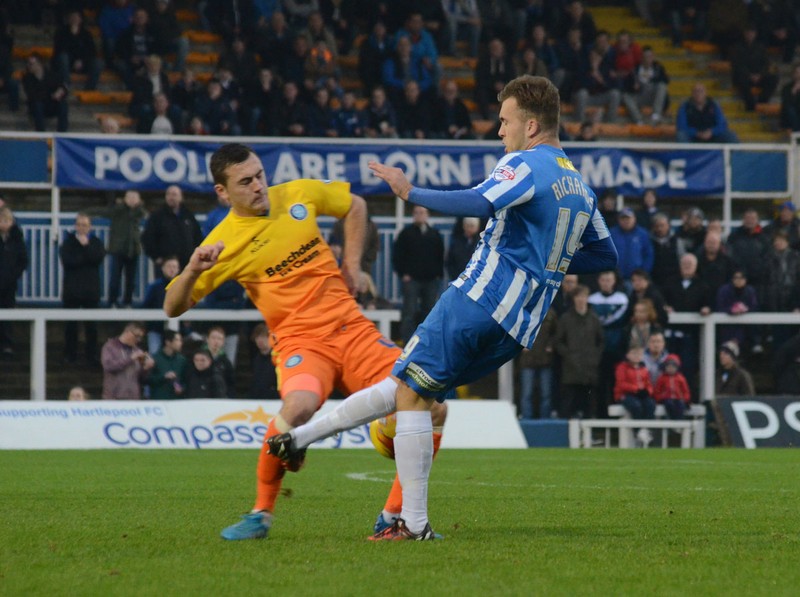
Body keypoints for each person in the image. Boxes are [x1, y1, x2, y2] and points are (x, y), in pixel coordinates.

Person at [267, 75, 618, 540]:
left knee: (411, 395)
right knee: (409, 387)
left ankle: (412, 523)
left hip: (477, 300)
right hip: (518, 326)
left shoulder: (525, 164)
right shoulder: (579, 186)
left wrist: (410, 192)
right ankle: (299, 439)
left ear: (531, 126)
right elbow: (605, 255)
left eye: (505, 121)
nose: (500, 131)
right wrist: (546, 258)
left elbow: (478, 200)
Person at [162, 142, 448, 541]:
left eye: (260, 175)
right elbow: (172, 306)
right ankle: (261, 513)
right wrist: (193, 270)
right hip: (302, 343)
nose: (258, 186)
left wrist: (351, 265)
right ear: (222, 192)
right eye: (245, 182)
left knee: (433, 406)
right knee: (298, 408)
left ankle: (394, 516)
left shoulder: (297, 193)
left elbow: (356, 206)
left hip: (352, 330)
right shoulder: (224, 243)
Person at [59, 213, 106, 365]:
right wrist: (85, 257)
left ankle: (91, 355)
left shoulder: (96, 242)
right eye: (79, 224)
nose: (81, 228)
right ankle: (70, 354)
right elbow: (68, 261)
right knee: (70, 326)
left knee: (91, 326)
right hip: (72, 290)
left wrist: (86, 247)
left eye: (84, 225)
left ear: (90, 227)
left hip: (90, 291)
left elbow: (97, 258)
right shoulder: (68, 242)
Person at [393, 205, 444, 344]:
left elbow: (440, 255)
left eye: (422, 212)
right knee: (409, 312)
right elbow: (397, 255)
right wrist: (403, 273)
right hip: (412, 280)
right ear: (413, 215)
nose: (420, 215)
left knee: (429, 312)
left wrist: (438, 274)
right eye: (417, 212)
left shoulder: (434, 234)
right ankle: (407, 343)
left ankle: (426, 342)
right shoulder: (405, 234)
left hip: (431, 280)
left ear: (427, 215)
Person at [89, 190, 147, 309]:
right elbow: (103, 211)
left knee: (131, 280)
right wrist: (86, 213)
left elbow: (144, 214)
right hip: (118, 249)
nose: (132, 200)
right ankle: (112, 302)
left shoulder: (139, 211)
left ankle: (127, 302)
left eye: (134, 197)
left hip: (133, 249)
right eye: (129, 197)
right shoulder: (118, 210)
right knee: (115, 278)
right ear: (124, 198)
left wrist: (137, 206)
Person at [555, 284, 604, 418]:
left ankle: (590, 429)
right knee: (568, 402)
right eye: (578, 297)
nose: (581, 299)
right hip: (571, 368)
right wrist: (568, 355)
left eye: (583, 296)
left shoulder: (594, 318)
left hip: (590, 368)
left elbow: (601, 341)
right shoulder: (565, 318)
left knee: (590, 403)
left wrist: (595, 357)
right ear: (574, 299)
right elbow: (558, 341)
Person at [142, 185, 203, 269]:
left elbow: (197, 237)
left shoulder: (188, 216)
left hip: (186, 263)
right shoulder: (157, 216)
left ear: (181, 197)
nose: (171, 197)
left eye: (174, 194)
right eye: (168, 194)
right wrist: (156, 257)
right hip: (165, 264)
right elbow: (148, 237)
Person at [518, 309, 557, 419]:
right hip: (528, 359)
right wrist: (520, 345)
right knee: (527, 393)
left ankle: (545, 421)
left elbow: (556, 333)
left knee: (546, 393)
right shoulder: (523, 311)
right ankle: (527, 420)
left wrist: (550, 345)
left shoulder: (550, 313)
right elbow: (515, 331)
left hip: (545, 359)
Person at [100, 322, 155, 400]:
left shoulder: (137, 350)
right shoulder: (110, 346)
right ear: (128, 332)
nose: (138, 340)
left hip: (133, 397)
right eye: (137, 336)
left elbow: (141, 378)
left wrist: (146, 368)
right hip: (114, 397)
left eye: (141, 337)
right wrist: (130, 359)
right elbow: (108, 366)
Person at [614, 343, 655, 446]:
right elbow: (621, 383)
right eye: (634, 353)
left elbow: (648, 384)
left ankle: (647, 430)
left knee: (650, 404)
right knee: (636, 406)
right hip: (625, 394)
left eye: (639, 354)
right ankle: (638, 431)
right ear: (627, 355)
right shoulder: (622, 367)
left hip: (640, 395)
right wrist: (636, 389)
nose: (637, 356)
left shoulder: (643, 368)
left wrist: (647, 391)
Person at [0, 205, 28, 358]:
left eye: (7, 220)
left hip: (9, 284)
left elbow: (23, 261)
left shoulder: (17, 239)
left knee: (8, 313)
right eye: (1, 220)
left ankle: (7, 344)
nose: (4, 223)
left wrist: (12, 275)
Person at [141, 256, 181, 355]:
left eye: (174, 267)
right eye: (169, 266)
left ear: (178, 269)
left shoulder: (182, 285)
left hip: (177, 330)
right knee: (154, 354)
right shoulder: (154, 286)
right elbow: (145, 306)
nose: (172, 269)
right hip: (156, 328)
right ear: (163, 268)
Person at [609, 207, 653, 284]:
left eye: (628, 218)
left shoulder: (643, 234)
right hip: (616, 279)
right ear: (618, 220)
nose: (626, 221)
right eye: (623, 218)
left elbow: (648, 254)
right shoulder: (611, 233)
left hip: (637, 279)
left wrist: (643, 272)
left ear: (634, 219)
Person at [148, 330, 187, 399]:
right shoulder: (155, 359)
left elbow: (185, 379)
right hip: (159, 399)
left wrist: (181, 388)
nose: (180, 343)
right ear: (168, 342)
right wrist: (164, 377)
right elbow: (149, 380)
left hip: (176, 400)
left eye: (181, 340)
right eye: (177, 340)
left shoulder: (182, 360)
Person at [653, 353, 691, 419]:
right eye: (668, 367)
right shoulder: (662, 378)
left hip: (678, 398)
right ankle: (670, 421)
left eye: (673, 367)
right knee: (669, 404)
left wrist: (686, 400)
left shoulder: (681, 378)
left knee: (680, 405)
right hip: (666, 399)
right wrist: (659, 398)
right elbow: (657, 391)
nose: (670, 369)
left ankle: (679, 421)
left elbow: (685, 391)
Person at [445, 217, 482, 281]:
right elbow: (450, 261)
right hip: (458, 277)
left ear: (477, 227)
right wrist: (454, 276)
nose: (469, 229)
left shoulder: (481, 243)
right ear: (463, 226)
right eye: (467, 226)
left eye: (472, 226)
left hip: (475, 280)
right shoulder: (457, 242)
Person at [249, 323, 279, 400]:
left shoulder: (277, 357)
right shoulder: (256, 359)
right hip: (257, 399)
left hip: (274, 400)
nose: (260, 340)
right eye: (257, 337)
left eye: (263, 336)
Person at [205, 325, 236, 397]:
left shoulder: (226, 362)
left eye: (219, 339)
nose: (216, 341)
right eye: (213, 338)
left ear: (223, 342)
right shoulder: (198, 357)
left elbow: (231, 383)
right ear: (207, 339)